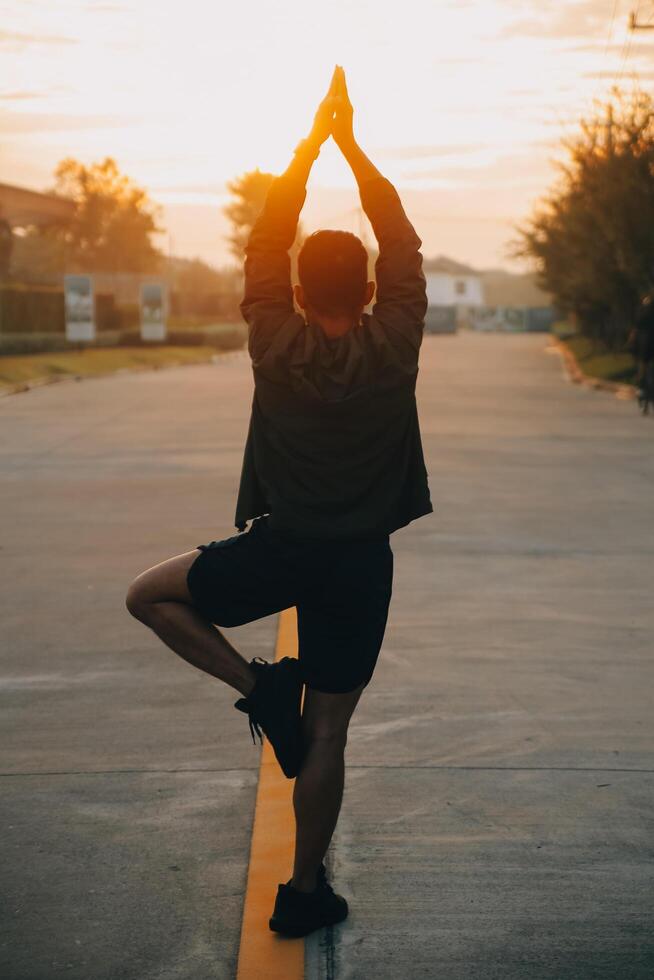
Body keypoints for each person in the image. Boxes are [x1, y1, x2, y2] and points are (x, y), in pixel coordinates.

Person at [125, 65, 432, 938]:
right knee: (328, 732)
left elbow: (267, 238)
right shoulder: (398, 341)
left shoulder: (272, 336)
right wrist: (352, 144)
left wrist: (309, 144)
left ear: (298, 289)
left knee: (149, 595)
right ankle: (304, 892)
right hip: (360, 562)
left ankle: (255, 687)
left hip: (282, 545)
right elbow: (401, 239)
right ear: (372, 290)